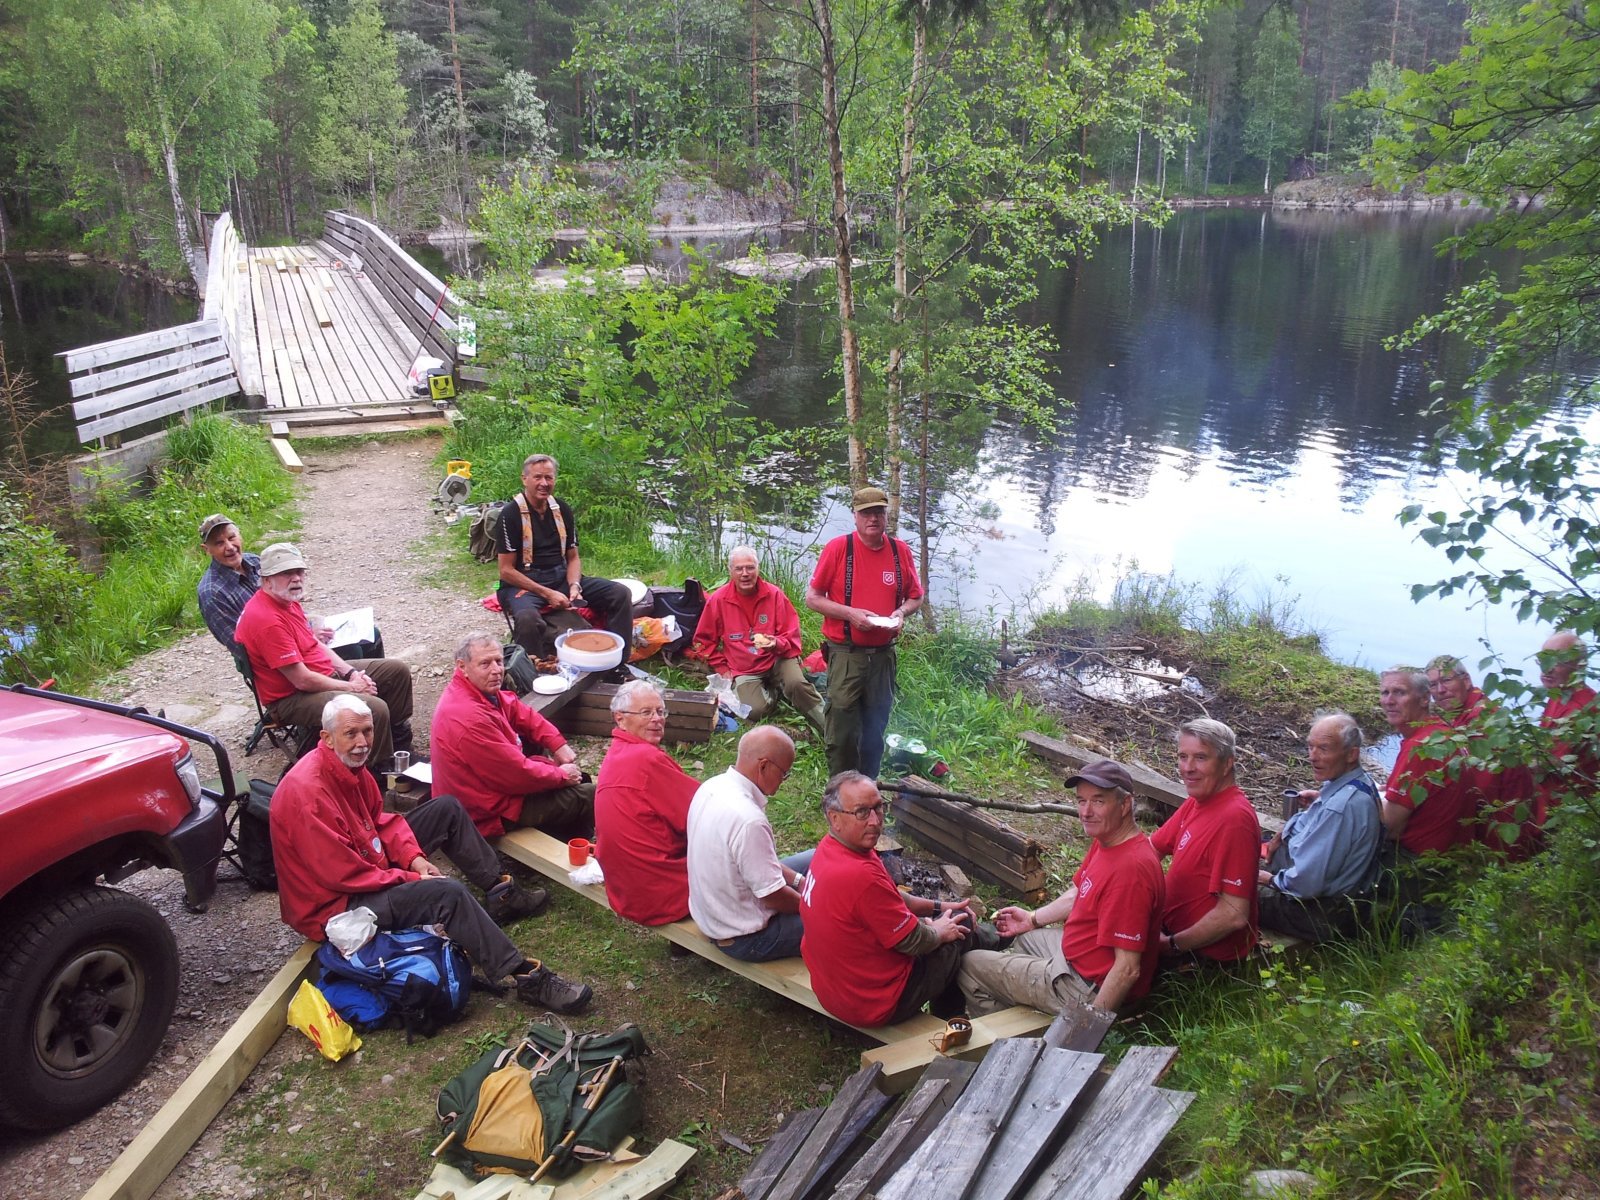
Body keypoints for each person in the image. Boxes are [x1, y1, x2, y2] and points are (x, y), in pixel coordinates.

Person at [269, 695, 591, 1014]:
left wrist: (415, 858)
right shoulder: (308, 794)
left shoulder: (349, 768)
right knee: (446, 894)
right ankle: (525, 975)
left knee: (446, 808)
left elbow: (381, 822)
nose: (362, 742)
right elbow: (344, 875)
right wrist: (412, 878)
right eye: (351, 733)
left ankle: (502, 893)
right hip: (337, 906)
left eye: (367, 731)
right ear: (326, 738)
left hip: (365, 862)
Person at [958, 759, 1163, 1016]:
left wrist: (1084, 1034)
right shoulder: (1108, 839)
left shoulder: (1131, 871)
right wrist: (1032, 919)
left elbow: (1127, 969)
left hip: (1086, 987)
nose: (1086, 811)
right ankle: (1034, 1007)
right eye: (1081, 801)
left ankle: (1014, 1043)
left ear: (1125, 805)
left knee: (969, 965)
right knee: (1024, 939)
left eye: (1098, 801)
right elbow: (1079, 892)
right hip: (1074, 955)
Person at [801, 772, 995, 1028]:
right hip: (871, 1004)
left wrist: (940, 907)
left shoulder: (832, 849)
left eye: (878, 808)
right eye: (861, 812)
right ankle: (950, 1019)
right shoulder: (860, 876)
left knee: (950, 921)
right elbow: (914, 941)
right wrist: (937, 931)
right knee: (959, 931)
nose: (874, 821)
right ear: (834, 818)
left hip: (834, 988)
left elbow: (892, 896)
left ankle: (992, 937)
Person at [235, 542, 416, 773]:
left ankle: (399, 746)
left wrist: (350, 673)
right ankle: (374, 771)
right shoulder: (267, 620)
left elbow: (315, 645)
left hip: (317, 676)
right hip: (291, 697)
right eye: (286, 573)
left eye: (299, 571)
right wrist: (352, 688)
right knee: (372, 708)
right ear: (266, 579)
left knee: (396, 671)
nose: (296, 578)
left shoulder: (286, 601)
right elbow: (301, 680)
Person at [804, 487, 925, 778]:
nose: (873, 518)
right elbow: (812, 598)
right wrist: (850, 614)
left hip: (883, 655)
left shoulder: (900, 552)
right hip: (847, 652)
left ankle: (868, 785)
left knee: (876, 724)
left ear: (886, 516)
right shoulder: (838, 549)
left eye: (878, 512)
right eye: (866, 513)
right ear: (855, 517)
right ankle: (841, 789)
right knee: (842, 725)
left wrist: (901, 613)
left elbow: (916, 596)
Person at [429, 633, 594, 841]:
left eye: (499, 661)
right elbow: (517, 775)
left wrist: (557, 743)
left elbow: (519, 711)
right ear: (462, 666)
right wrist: (561, 776)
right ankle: (580, 847)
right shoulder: (469, 718)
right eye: (485, 664)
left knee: (576, 779)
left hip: (490, 792)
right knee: (589, 794)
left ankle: (565, 832)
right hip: (484, 812)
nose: (497, 670)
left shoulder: (473, 690)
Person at [686, 726, 813, 962]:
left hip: (712, 911)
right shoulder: (749, 820)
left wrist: (800, 882)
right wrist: (815, 906)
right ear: (763, 765)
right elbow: (772, 896)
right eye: (784, 773)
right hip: (744, 936)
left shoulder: (711, 786)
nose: (784, 781)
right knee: (844, 927)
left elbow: (756, 861)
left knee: (817, 856)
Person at [1257, 713, 1383, 943]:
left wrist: (1270, 880)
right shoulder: (1355, 783)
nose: (1313, 756)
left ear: (1351, 754)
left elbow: (1306, 883)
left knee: (1230, 887)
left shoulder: (1341, 808)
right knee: (1244, 845)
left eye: (1324, 749)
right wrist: (1283, 834)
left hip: (1318, 911)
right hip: (1319, 890)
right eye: (1310, 746)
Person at [496, 455, 632, 660]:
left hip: (560, 577)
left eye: (549, 478)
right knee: (527, 619)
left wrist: (575, 586)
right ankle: (533, 675)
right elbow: (506, 571)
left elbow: (573, 557)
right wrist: (547, 594)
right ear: (524, 479)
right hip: (524, 584)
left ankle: (615, 662)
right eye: (538, 477)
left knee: (620, 593)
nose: (544, 483)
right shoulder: (510, 514)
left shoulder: (562, 510)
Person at [196, 513, 381, 661]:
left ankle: (376, 698)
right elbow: (242, 646)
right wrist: (307, 636)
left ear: (240, 535)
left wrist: (311, 621)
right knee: (351, 651)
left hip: (295, 632)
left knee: (371, 634)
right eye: (219, 543)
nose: (229, 547)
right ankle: (354, 701)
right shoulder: (212, 593)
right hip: (276, 656)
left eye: (231, 537)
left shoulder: (254, 561)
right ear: (206, 549)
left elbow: (288, 603)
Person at [1151, 719, 1260, 964]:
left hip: (1200, 952)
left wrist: (1171, 945)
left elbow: (1233, 914)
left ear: (1226, 764)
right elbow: (1153, 848)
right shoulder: (1198, 800)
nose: (1187, 768)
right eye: (1182, 756)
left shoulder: (1235, 820)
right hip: (1168, 926)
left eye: (1200, 758)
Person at [593, 679, 701, 925]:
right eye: (646, 712)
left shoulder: (618, 752)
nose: (657, 719)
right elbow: (701, 811)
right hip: (662, 895)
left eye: (660, 711)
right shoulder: (646, 760)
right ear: (620, 718)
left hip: (625, 891)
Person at [692, 547, 824, 734]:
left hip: (778, 658)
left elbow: (792, 634)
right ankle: (776, 691)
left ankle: (832, 730)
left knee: (797, 685)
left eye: (750, 568)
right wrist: (721, 667)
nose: (745, 574)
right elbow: (702, 641)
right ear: (730, 571)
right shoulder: (719, 600)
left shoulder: (774, 594)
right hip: (744, 667)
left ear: (758, 569)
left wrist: (776, 643)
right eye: (739, 569)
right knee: (754, 711)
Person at [1379, 666, 1474, 857]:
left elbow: (1389, 827)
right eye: (1385, 693)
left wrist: (1339, 805)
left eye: (1399, 693)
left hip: (1417, 865)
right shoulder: (1439, 733)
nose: (1389, 701)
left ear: (1424, 699)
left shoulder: (1421, 748)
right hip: (1451, 856)